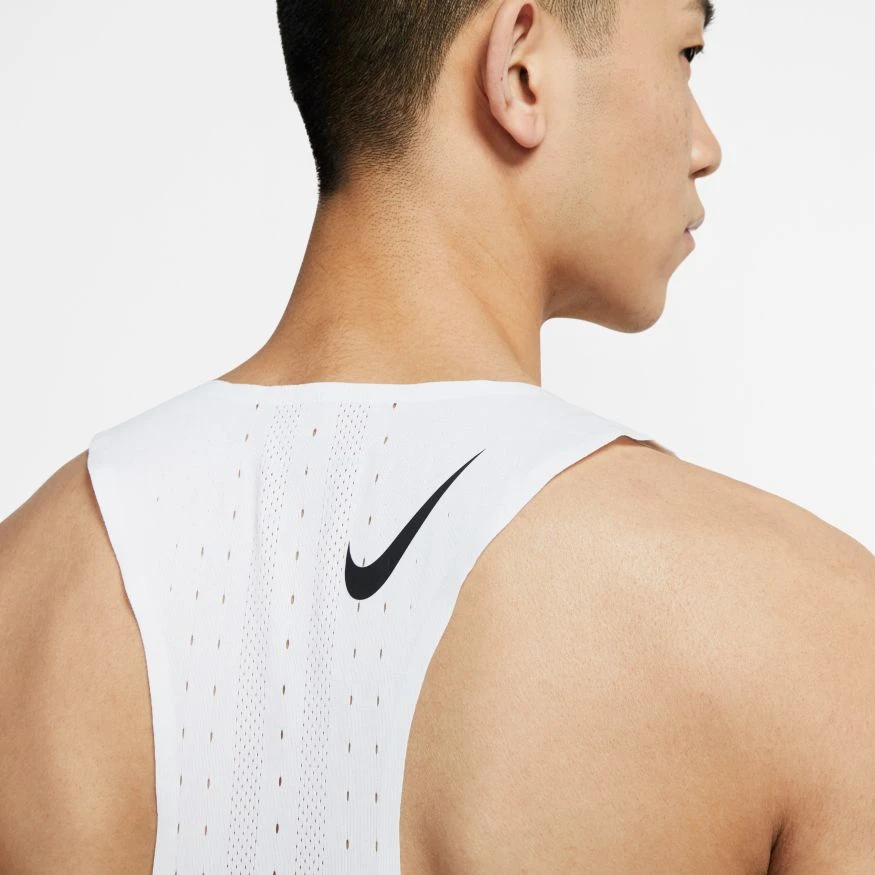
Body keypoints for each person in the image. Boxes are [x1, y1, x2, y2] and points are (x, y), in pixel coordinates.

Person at [1, 0, 873, 872]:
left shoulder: (26, 592)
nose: (704, 146)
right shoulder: (805, 627)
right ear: (520, 69)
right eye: (685, 52)